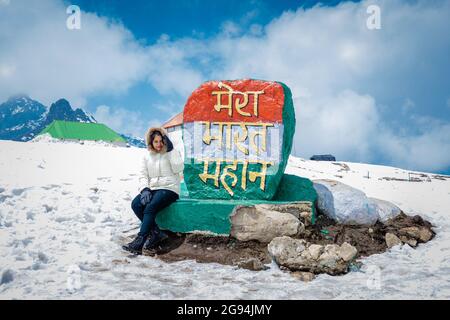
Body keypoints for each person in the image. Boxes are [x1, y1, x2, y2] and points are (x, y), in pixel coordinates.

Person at [122, 127, 183, 255]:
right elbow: (142, 175)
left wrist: (171, 151)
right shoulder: (146, 156)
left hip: (169, 188)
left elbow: (179, 168)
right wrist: (144, 189)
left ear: (165, 141)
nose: (159, 144)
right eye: (156, 141)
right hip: (153, 189)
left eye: (161, 141)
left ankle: (140, 241)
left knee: (151, 207)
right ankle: (155, 233)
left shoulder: (171, 152)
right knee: (136, 204)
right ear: (151, 142)